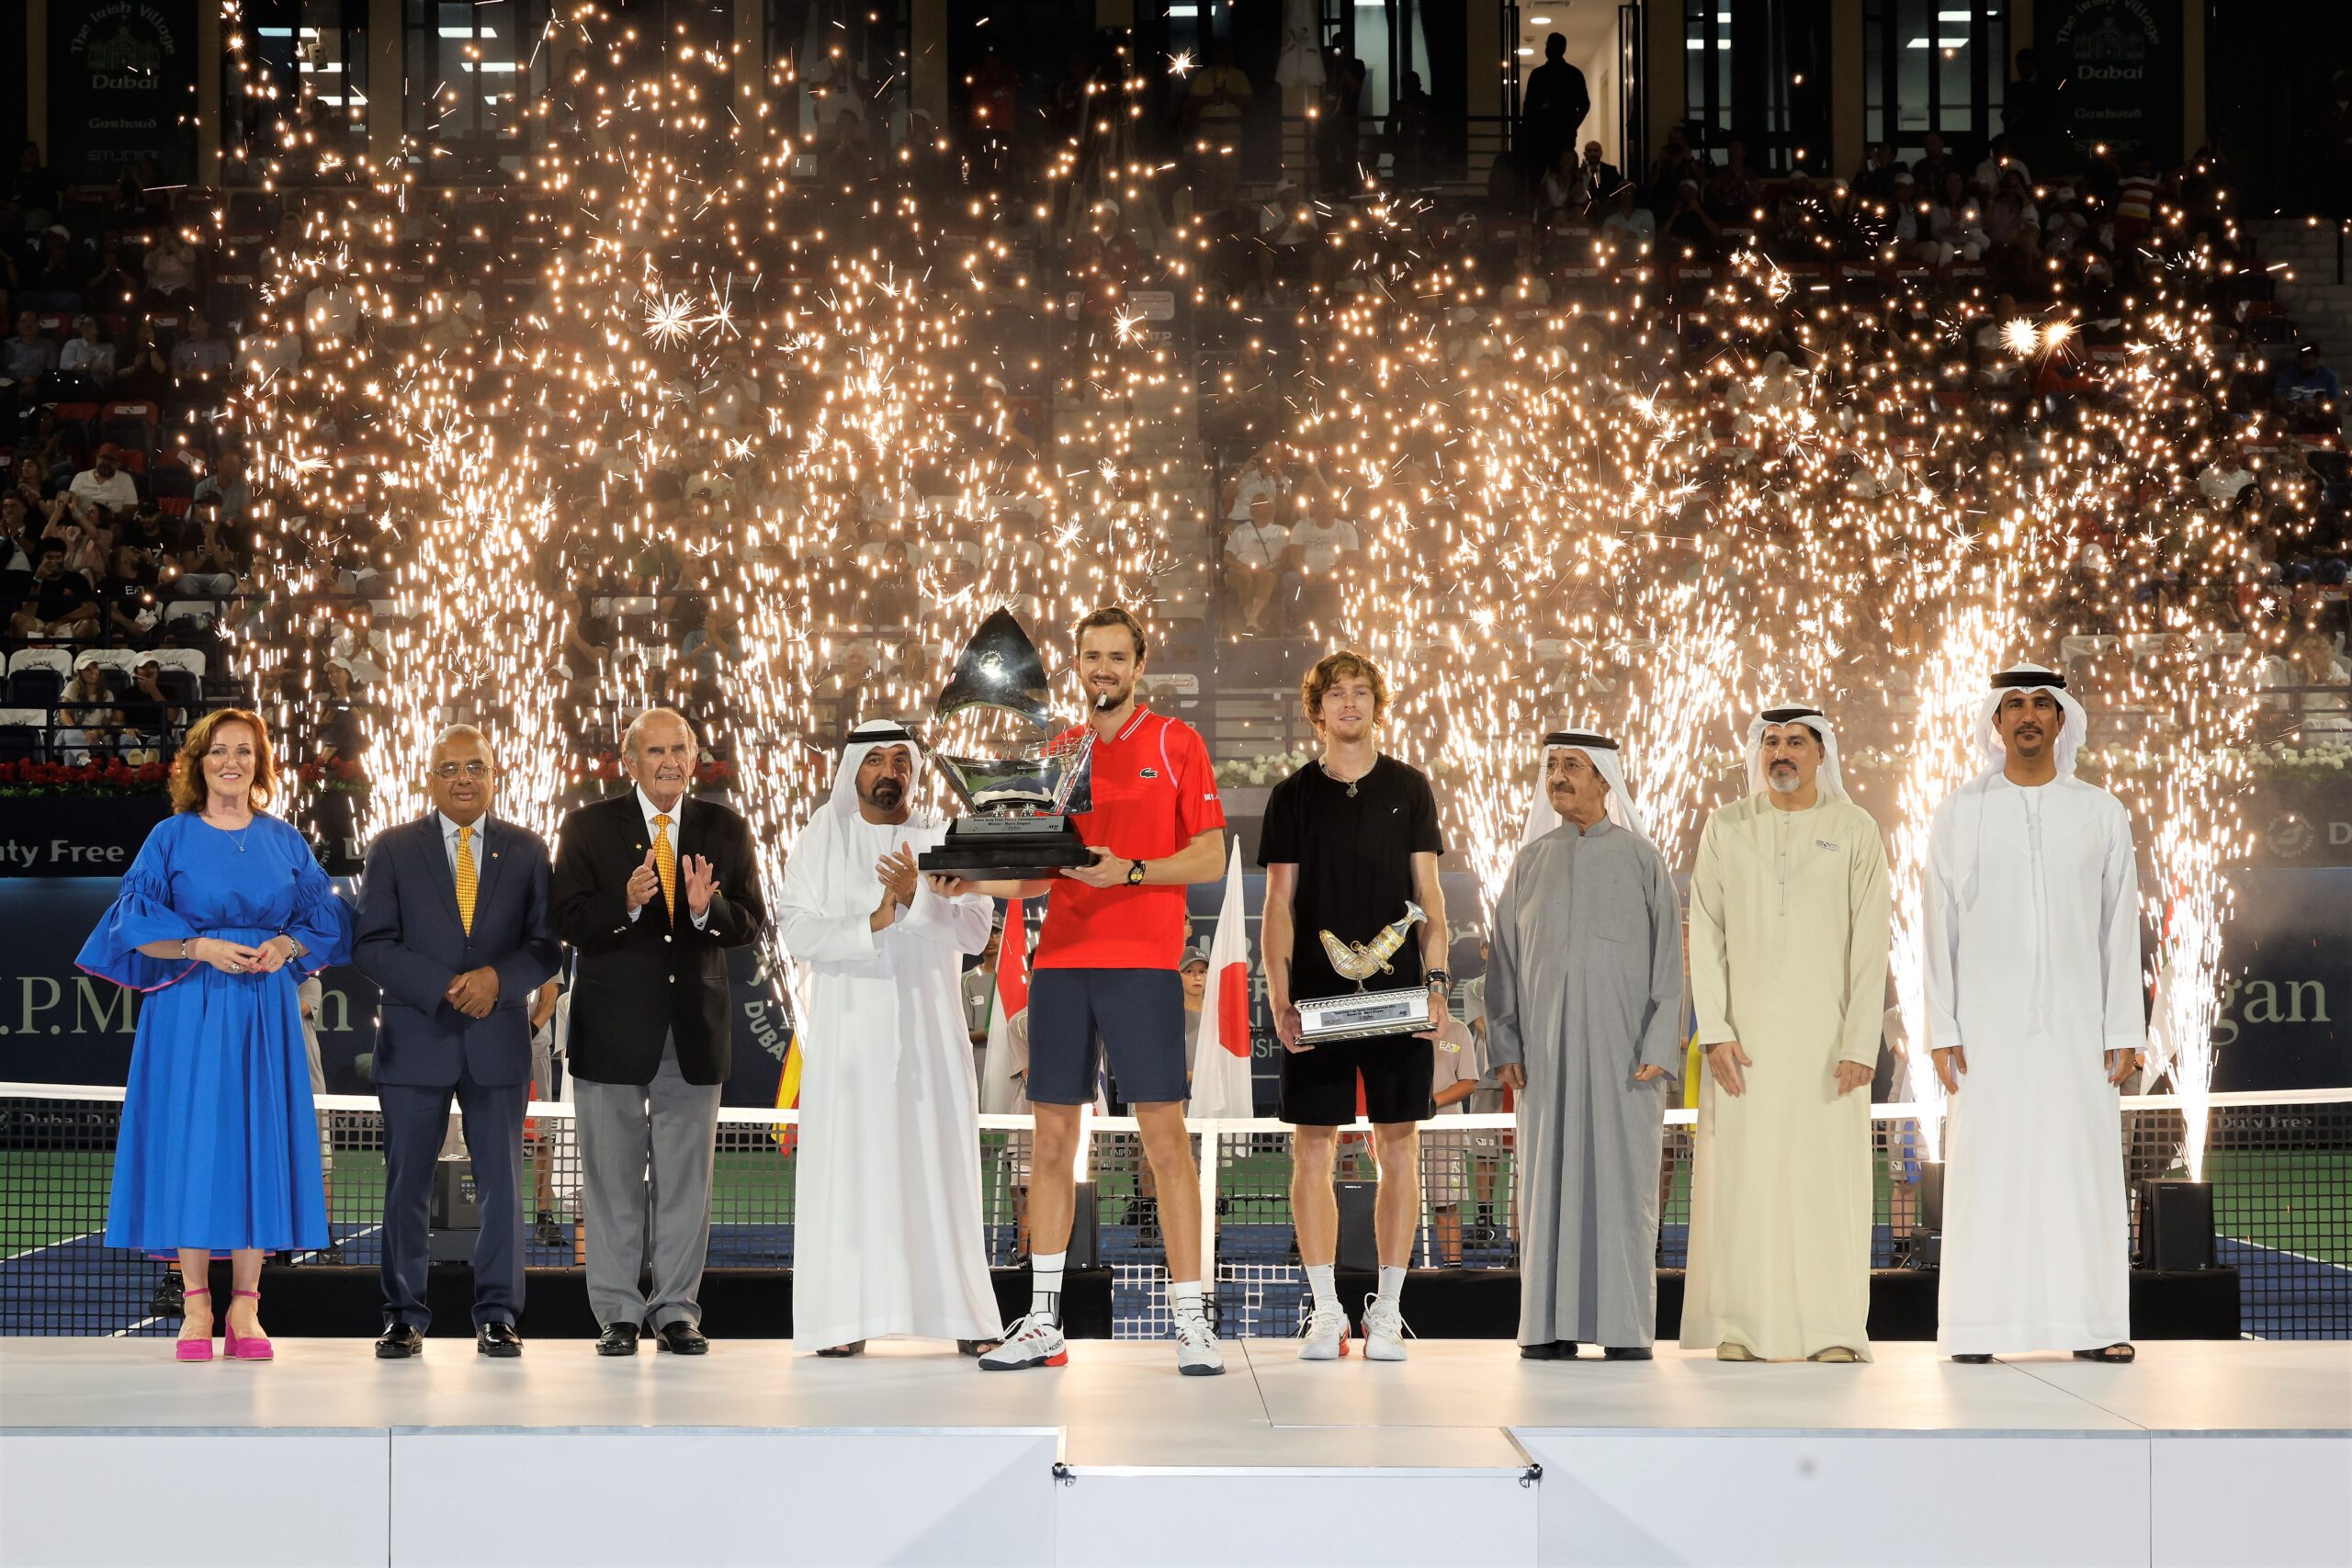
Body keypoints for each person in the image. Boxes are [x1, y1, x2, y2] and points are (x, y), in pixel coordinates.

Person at [940, 607, 1229, 1376]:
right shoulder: (1061, 752)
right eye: (1090, 656)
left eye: (1115, 656)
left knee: (1164, 1141)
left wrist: (1130, 870)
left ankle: (1192, 1320)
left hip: (1142, 965)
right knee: (1050, 1145)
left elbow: (1208, 856)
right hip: (1061, 964)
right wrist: (969, 876)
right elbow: (1041, 868)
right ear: (1077, 665)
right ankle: (1041, 1321)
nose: (1102, 668)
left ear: (1140, 663)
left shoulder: (1176, 743)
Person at [74, 708, 353, 1361]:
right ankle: (196, 1305)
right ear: (197, 763)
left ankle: (247, 1309)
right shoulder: (169, 837)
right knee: (195, 1145)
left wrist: (286, 943)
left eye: (246, 752)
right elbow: (133, 919)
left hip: (265, 1006)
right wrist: (199, 944)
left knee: (260, 1142)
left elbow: (327, 917)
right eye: (219, 751)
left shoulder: (286, 840)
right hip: (188, 1005)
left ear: (260, 765)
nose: (233, 762)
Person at [1928, 666, 2142, 1365]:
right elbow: (1938, 926)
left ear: (2061, 721)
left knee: (2083, 1172)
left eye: (2042, 704)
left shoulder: (2100, 810)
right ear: (1995, 722)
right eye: (2014, 704)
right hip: (1985, 1035)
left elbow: (2119, 930)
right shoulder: (1960, 811)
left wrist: (2123, 1030)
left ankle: (2095, 1323)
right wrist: (1943, 1027)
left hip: (2081, 1032)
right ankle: (1975, 1328)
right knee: (1985, 1171)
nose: (2027, 715)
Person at [779, 722, 1004, 1359]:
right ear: (853, 769)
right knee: (852, 1172)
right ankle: (844, 1318)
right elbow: (797, 929)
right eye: (874, 758)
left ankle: (963, 1312)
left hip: (930, 1037)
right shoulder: (822, 836)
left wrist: (916, 900)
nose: (888, 771)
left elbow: (973, 931)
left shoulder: (943, 836)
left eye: (900, 760)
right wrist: (875, 919)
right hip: (850, 1042)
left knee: (941, 1169)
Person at [552, 707, 767, 1357]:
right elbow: (567, 918)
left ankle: (676, 1311)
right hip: (611, 1034)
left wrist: (708, 911)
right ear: (630, 760)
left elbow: (750, 921)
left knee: (685, 1185)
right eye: (655, 750)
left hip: (693, 1036)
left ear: (695, 757)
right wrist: (624, 904)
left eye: (680, 749)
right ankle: (617, 1312)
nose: (669, 760)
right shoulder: (587, 826)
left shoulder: (724, 828)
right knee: (610, 1182)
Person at [1682, 704, 1890, 1363]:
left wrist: (1861, 1040)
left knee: (1827, 1186)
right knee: (1748, 1185)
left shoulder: (1854, 829)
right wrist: (1713, 1031)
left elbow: (1870, 945)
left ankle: (1833, 1328)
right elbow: (1705, 933)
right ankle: (1745, 1327)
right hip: (1746, 1050)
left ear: (1820, 753)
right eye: (1771, 740)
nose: (1782, 751)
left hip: (1830, 1052)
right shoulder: (1727, 827)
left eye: (1795, 741)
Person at [1260, 650, 1447, 1361]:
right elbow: (1278, 903)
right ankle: (1327, 1311)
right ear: (1317, 709)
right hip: (1316, 1003)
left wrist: (1436, 981)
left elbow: (1428, 895)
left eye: (1360, 692)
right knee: (1313, 1149)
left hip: (1402, 999)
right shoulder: (1292, 796)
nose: (1348, 704)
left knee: (1398, 1146)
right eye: (1335, 694)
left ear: (1377, 703)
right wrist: (1281, 995)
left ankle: (1390, 1311)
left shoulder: (1411, 787)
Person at [354, 725, 561, 1359]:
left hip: (497, 1042)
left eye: (476, 766)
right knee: (405, 1184)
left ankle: (497, 1312)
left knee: (503, 1185)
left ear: (496, 776)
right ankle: (403, 1314)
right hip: (416, 1040)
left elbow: (547, 947)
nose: (464, 777)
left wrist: (498, 980)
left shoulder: (528, 850)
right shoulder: (391, 848)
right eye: (450, 767)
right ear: (430, 777)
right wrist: (447, 985)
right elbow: (372, 945)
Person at [1486, 729, 1683, 1361]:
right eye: (1551, 766)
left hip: (1628, 1061)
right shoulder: (1529, 862)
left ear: (1605, 779)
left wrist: (1660, 1040)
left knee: (1622, 1188)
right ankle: (1548, 1324)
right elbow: (1504, 967)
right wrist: (1506, 1040)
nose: (1559, 776)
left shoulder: (1641, 859)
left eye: (1573, 765)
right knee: (1546, 1187)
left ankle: (1624, 1326)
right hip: (1544, 1062)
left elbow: (1669, 966)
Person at [1518, 33, 1589, 204]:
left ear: (1562, 49)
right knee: (1542, 177)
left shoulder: (1563, 74)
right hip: (1543, 137)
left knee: (1560, 174)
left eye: (1552, 46)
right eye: (1549, 45)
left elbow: (1584, 105)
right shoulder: (1569, 74)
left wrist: (1572, 127)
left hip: (1555, 136)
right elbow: (1528, 108)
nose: (1550, 49)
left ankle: (1558, 208)